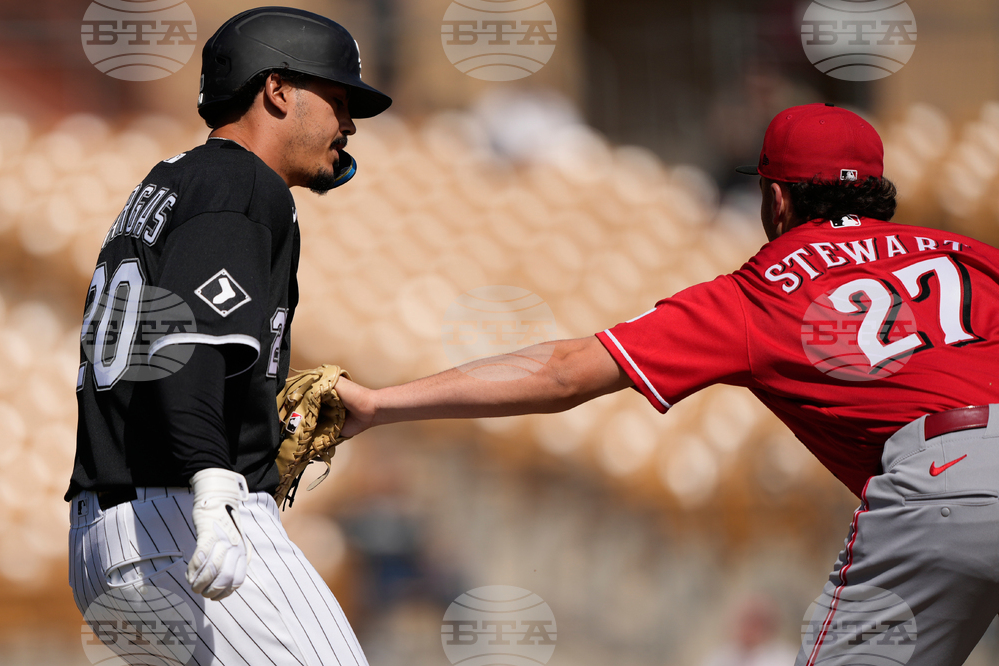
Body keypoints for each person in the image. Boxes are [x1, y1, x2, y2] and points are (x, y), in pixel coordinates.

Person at [337, 103, 999, 666]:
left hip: (943, 484)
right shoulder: (972, 254)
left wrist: (379, 402)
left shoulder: (758, 291)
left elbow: (566, 372)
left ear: (776, 198)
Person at [67, 7, 390, 665]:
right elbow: (184, 345)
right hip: (184, 520)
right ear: (277, 90)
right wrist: (213, 487)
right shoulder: (241, 181)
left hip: (110, 537)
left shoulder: (171, 183)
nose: (350, 124)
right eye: (338, 98)